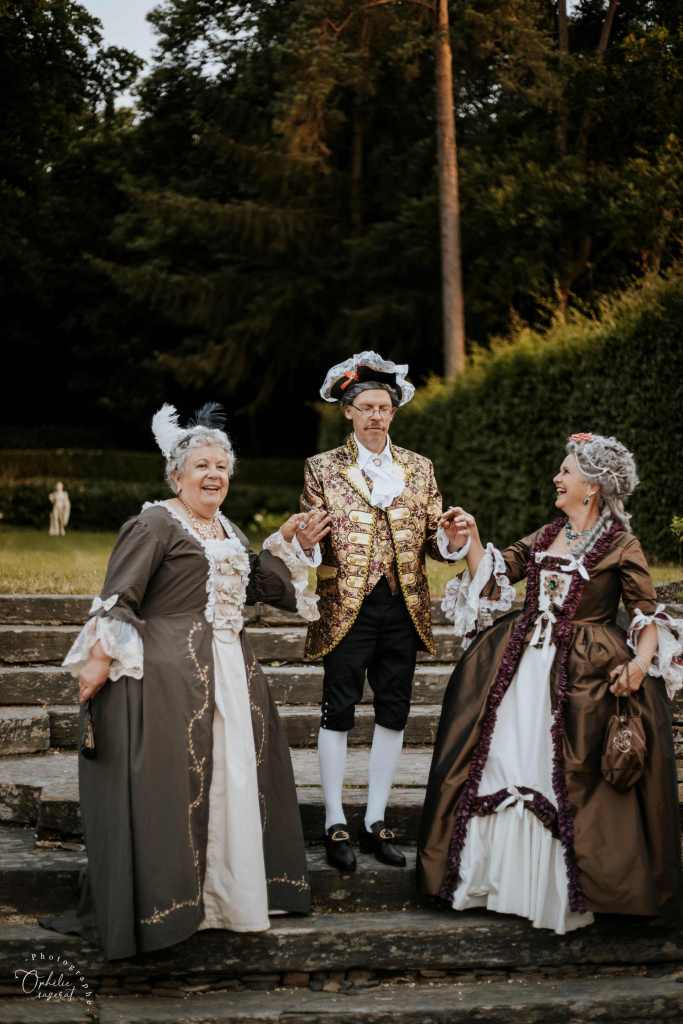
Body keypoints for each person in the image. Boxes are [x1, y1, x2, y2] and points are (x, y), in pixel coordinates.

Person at [40, 403, 329, 960]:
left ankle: (227, 897)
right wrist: (99, 661)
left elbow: (254, 588)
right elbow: (118, 595)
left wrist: (286, 543)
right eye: (201, 464)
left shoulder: (225, 527)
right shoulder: (154, 523)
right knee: (179, 788)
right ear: (176, 474)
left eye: (222, 465)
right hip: (171, 680)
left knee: (234, 780)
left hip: (231, 673)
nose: (214, 473)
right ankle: (174, 904)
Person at [417, 432, 683, 934]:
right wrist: (471, 538)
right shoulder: (545, 534)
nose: (556, 479)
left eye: (566, 471)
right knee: (504, 759)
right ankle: (498, 883)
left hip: (583, 675)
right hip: (522, 669)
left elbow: (646, 615)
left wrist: (639, 664)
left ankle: (558, 892)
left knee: (564, 772)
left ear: (593, 487)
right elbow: (495, 578)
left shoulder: (622, 544)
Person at [301, 352, 466, 873]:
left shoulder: (420, 469)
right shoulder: (322, 468)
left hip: (403, 606)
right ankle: (334, 820)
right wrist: (305, 543)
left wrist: (451, 538)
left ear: (393, 413)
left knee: (394, 711)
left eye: (384, 407)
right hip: (346, 606)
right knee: (339, 709)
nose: (376, 415)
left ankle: (375, 820)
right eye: (366, 407)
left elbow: (434, 544)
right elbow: (312, 540)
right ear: (348, 412)